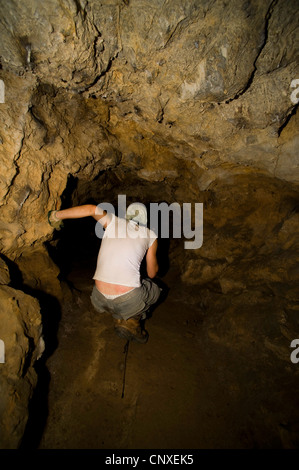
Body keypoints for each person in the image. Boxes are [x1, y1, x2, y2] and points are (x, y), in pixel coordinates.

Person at [48, 203, 161, 343]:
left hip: (98, 298)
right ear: (145, 220)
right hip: (128, 300)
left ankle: (120, 315)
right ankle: (132, 322)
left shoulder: (113, 222)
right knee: (155, 289)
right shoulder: (150, 235)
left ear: (126, 216)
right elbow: (151, 273)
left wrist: (55, 215)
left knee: (133, 289)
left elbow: (90, 209)